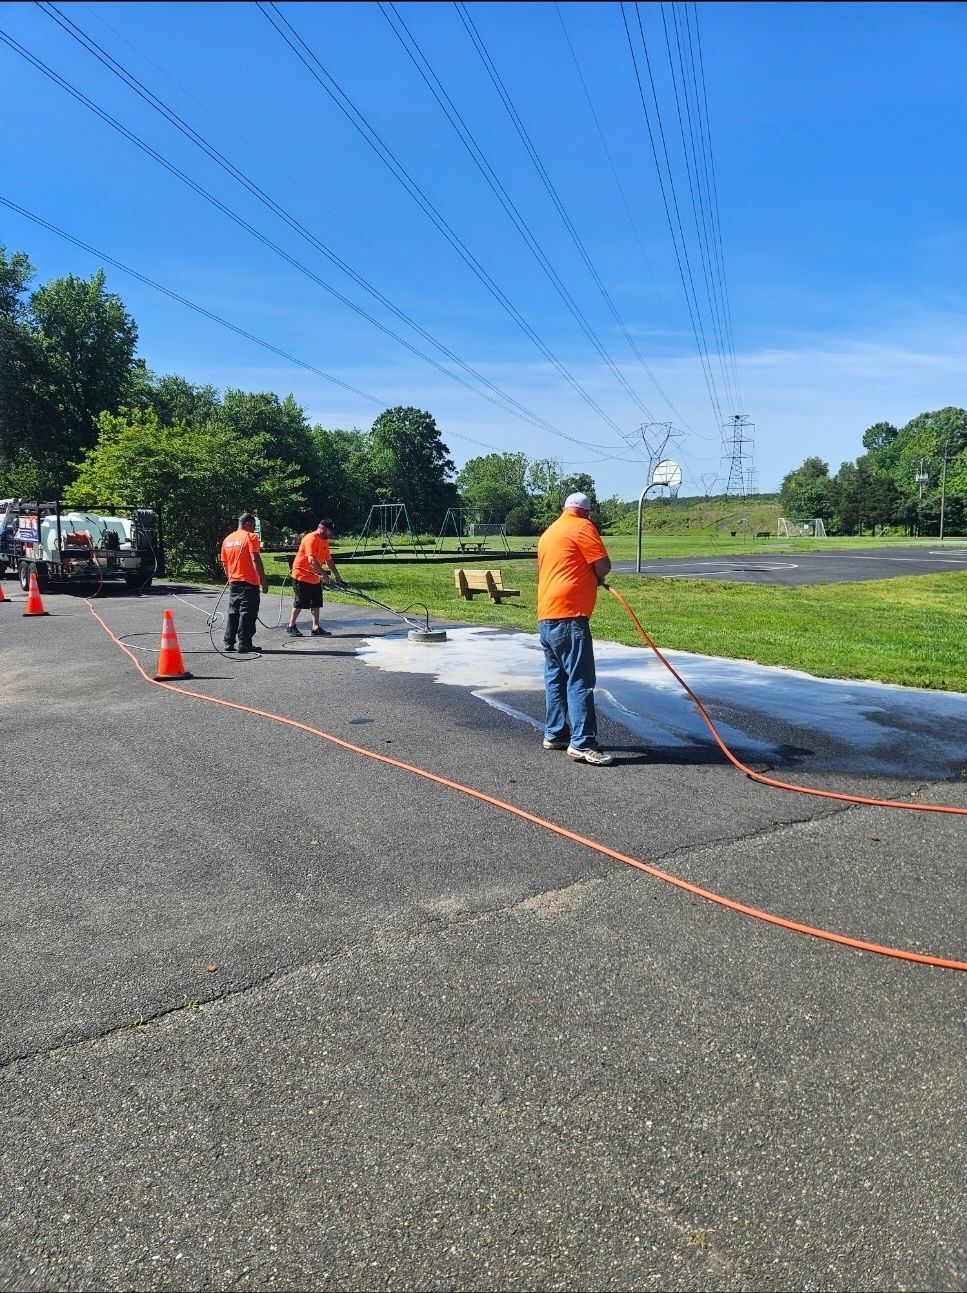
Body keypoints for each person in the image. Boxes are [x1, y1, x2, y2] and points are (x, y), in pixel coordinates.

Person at [536, 492, 614, 766]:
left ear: (563, 508)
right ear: (588, 512)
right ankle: (583, 743)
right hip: (570, 616)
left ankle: (555, 733)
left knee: (555, 678)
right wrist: (596, 576)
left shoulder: (550, 531)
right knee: (580, 680)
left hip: (546, 615)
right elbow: (603, 565)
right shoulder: (582, 527)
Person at [286, 518, 344, 637]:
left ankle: (315, 627)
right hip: (301, 575)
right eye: (330, 531)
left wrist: (337, 575)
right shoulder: (310, 539)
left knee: (316, 602)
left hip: (314, 576)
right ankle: (291, 626)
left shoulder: (325, 541)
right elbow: (311, 560)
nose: (331, 533)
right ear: (322, 528)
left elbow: (328, 560)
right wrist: (324, 574)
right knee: (300, 601)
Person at [220, 512, 269, 653]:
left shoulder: (227, 539)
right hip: (249, 583)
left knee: (233, 612)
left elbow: (224, 563)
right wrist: (263, 579)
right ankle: (245, 643)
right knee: (248, 613)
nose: (254, 529)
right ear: (248, 523)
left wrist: (230, 577)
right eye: (253, 525)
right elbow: (255, 559)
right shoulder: (251, 537)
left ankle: (229, 642)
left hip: (234, 582)